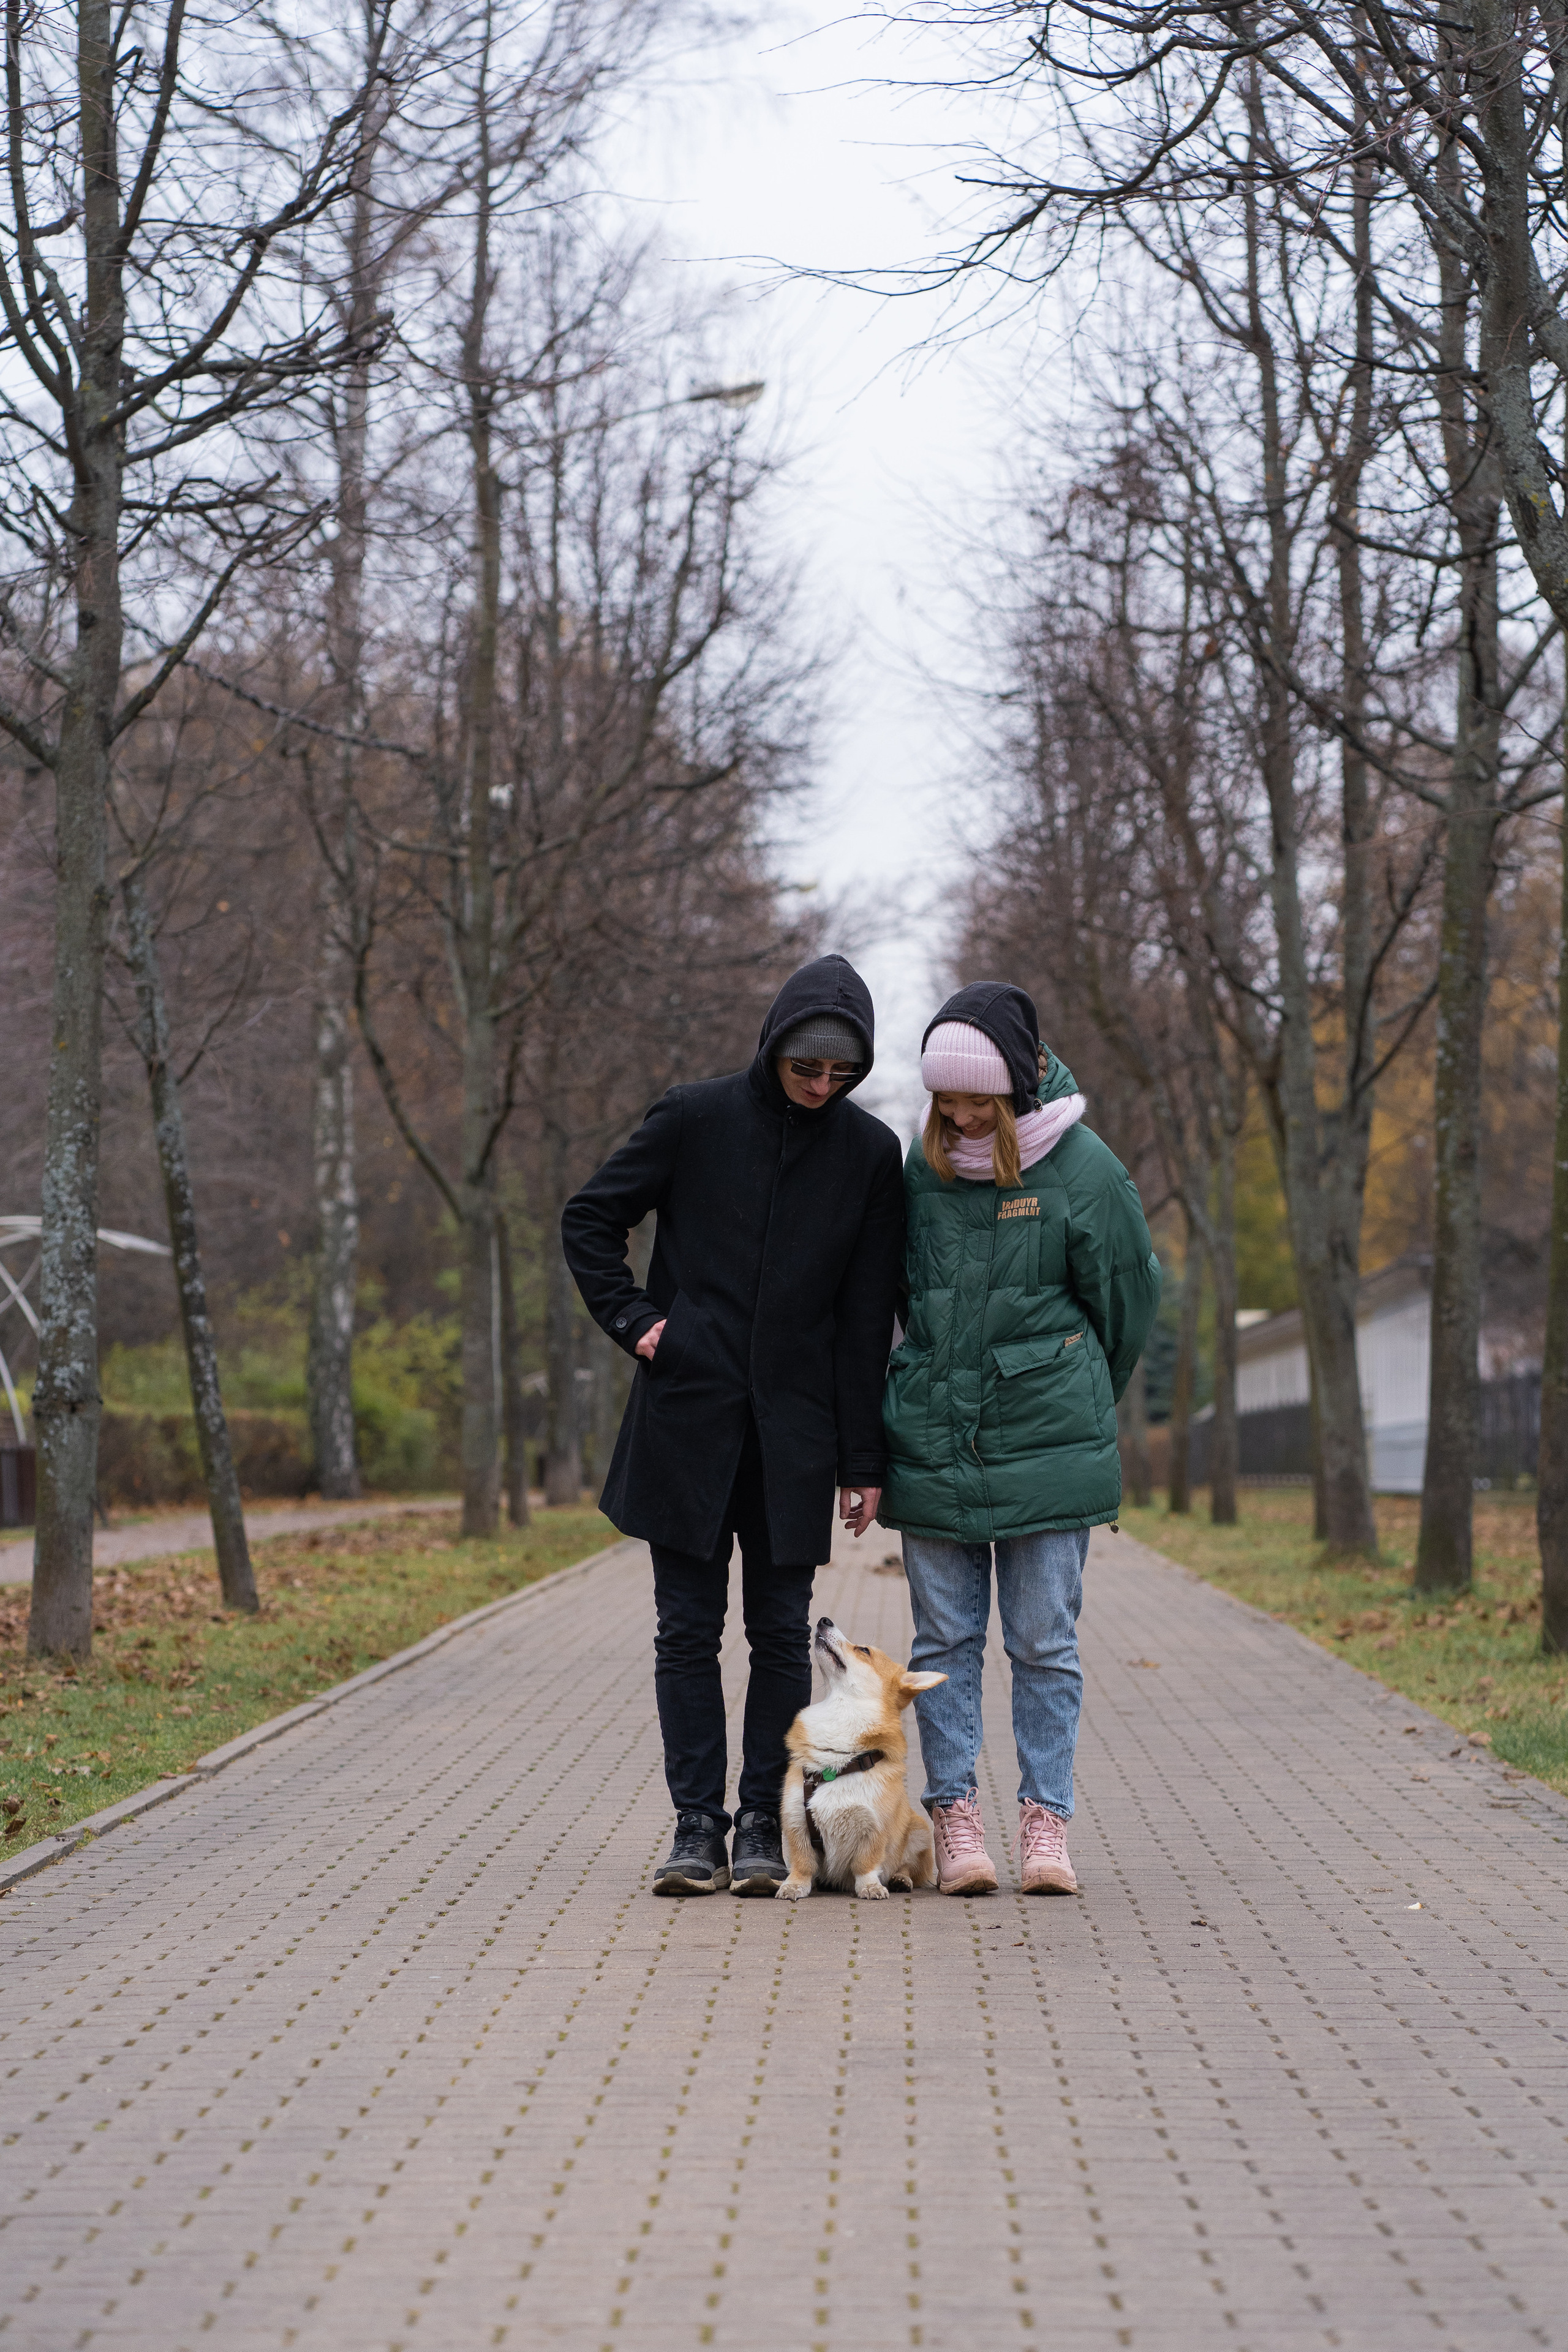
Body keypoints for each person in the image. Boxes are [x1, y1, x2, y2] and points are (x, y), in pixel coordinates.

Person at [562, 955, 904, 1898]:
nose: (823, 1087)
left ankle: (762, 1822)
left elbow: (866, 1315)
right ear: (776, 1045)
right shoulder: (694, 1118)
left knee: (780, 1633)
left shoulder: (870, 1156)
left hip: (797, 1432)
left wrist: (862, 1458)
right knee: (685, 1629)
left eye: (843, 1075)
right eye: (808, 1069)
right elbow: (591, 1219)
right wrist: (639, 1324)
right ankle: (693, 1828)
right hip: (689, 1418)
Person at [878, 982, 1161, 1896]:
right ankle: (956, 1816)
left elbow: (1126, 1301)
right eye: (946, 1100)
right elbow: (892, 1299)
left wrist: (1072, 1391)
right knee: (944, 1644)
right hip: (934, 1442)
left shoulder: (1083, 1169)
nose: (958, 1117)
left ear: (1018, 1089)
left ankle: (1047, 1824)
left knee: (1044, 1641)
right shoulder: (919, 1172)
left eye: (977, 1102)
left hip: (1047, 1441)